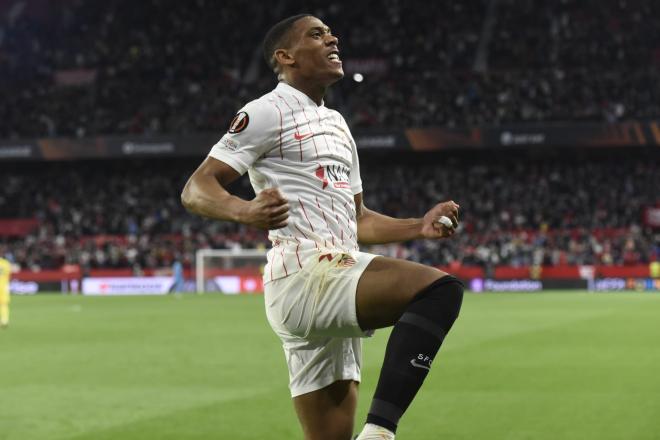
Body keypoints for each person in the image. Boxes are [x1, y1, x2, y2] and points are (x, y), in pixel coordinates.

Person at [181, 14, 463, 440]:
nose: (333, 38)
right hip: (304, 273)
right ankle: (381, 431)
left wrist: (417, 226)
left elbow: (359, 219)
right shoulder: (265, 112)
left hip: (334, 276)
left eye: (331, 32)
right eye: (317, 34)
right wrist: (244, 211)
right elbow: (195, 188)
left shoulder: (337, 125)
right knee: (439, 291)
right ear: (285, 56)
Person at [0, 256, 12, 329]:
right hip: (4, 286)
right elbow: (8, 274)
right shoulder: (6, 263)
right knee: (4, 304)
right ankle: (4, 320)